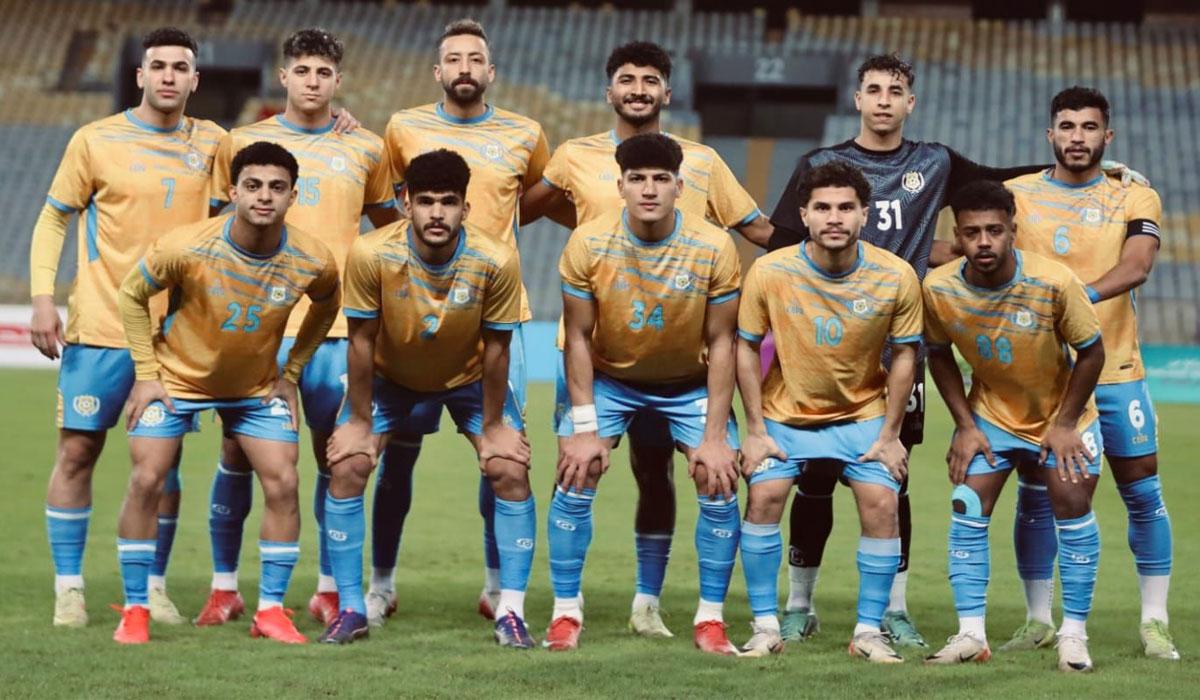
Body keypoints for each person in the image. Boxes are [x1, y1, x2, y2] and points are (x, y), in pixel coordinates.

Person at [520, 40, 770, 637]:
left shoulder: (705, 179)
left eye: (650, 79)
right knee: (576, 469)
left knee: (693, 474)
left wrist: (836, 246)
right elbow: (515, 211)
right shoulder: (577, 173)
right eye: (627, 79)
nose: (638, 89)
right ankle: (565, 613)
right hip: (604, 366)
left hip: (685, 368)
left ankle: (678, 611)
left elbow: (756, 237)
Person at [196, 27, 400, 629]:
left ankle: (329, 589)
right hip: (257, 328)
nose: (313, 82)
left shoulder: (366, 146)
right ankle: (224, 586)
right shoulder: (242, 142)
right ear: (283, 76)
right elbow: (214, 228)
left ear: (339, 81)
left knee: (336, 457)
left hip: (338, 330)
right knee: (237, 452)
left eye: (324, 73)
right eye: (303, 71)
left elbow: (390, 230)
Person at [29, 27, 225, 627]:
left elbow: (280, 163)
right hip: (100, 329)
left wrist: (340, 120)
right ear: (140, 76)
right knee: (77, 453)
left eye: (180, 67)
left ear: (195, 80)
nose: (169, 76)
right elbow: (53, 218)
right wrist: (42, 298)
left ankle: (152, 587)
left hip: (174, 338)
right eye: (158, 66)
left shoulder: (216, 144)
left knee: (160, 467)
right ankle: (69, 588)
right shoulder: (96, 139)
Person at [112, 141, 340, 644]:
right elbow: (131, 294)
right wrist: (146, 373)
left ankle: (271, 611)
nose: (264, 196)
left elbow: (327, 305)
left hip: (255, 390)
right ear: (233, 191)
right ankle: (135, 609)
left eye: (277, 187)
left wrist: (292, 372)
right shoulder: (185, 247)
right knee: (147, 478)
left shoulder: (312, 259)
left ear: (293, 196)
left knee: (283, 481)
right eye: (253, 186)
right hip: (176, 381)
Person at [320, 149, 535, 648]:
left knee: (509, 468)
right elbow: (360, 341)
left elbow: (498, 347)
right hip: (391, 377)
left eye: (449, 202)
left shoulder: (496, 259)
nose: (437, 213)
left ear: (466, 208)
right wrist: (357, 421)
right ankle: (352, 608)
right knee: (349, 464)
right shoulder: (371, 253)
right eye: (426, 202)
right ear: (406, 205)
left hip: (468, 378)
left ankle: (511, 611)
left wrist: (495, 426)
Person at [377, 18, 548, 624]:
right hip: (415, 311)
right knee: (397, 453)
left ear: (491, 71)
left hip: (496, 315)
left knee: (498, 448)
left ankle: (498, 586)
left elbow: (535, 198)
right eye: (454, 59)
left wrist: (494, 244)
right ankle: (380, 583)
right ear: (438, 71)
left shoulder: (525, 133)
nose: (465, 68)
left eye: (476, 59)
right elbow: (384, 201)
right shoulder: (403, 128)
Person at [550, 133, 742, 655]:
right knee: (576, 472)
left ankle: (710, 620)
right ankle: (565, 613)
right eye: (637, 179)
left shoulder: (713, 246)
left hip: (687, 383)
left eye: (661, 179)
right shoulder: (588, 242)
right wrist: (585, 429)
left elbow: (722, 342)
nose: (649, 189)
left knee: (718, 478)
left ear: (680, 186)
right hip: (612, 381)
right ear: (621, 187)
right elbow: (577, 337)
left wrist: (714, 437)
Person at [1004, 86, 1177, 660]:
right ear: (1049, 134)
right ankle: (1037, 620)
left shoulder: (1134, 194)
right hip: (1042, 376)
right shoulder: (1016, 196)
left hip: (1116, 369)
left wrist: (1073, 300)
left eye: (1089, 127)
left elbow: (1138, 264)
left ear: (1108, 135)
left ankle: (1155, 622)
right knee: (1038, 495)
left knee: (1142, 490)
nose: (1077, 137)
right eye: (1067, 126)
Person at [736, 161, 920, 663]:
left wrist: (890, 434)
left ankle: (868, 631)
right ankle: (765, 626)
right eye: (822, 208)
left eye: (845, 208)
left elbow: (906, 353)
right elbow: (745, 346)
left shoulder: (895, 275)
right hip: (785, 416)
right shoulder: (770, 271)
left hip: (863, 417)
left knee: (882, 504)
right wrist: (754, 429)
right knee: (764, 496)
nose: (833, 217)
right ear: (804, 214)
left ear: (864, 214)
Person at [923, 180, 1105, 672]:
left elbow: (1092, 352)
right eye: (972, 232)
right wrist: (964, 425)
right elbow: (937, 353)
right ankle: (970, 635)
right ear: (957, 236)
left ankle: (1073, 635)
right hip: (992, 415)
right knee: (966, 503)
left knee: (1071, 504)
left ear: (1012, 231)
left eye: (994, 230)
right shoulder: (938, 288)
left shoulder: (1054, 281)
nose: (984, 242)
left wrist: (1065, 424)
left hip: (1061, 417)